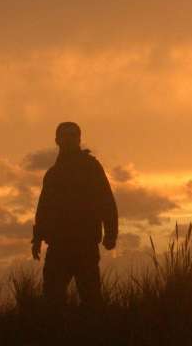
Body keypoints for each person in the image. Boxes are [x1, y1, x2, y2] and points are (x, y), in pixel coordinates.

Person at [31, 122, 118, 309]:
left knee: (91, 297)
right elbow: (44, 207)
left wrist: (111, 233)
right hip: (58, 245)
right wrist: (37, 238)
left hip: (85, 244)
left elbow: (106, 200)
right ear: (57, 140)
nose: (69, 139)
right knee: (52, 299)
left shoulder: (91, 167)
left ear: (79, 139)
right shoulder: (53, 174)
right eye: (65, 135)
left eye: (73, 135)